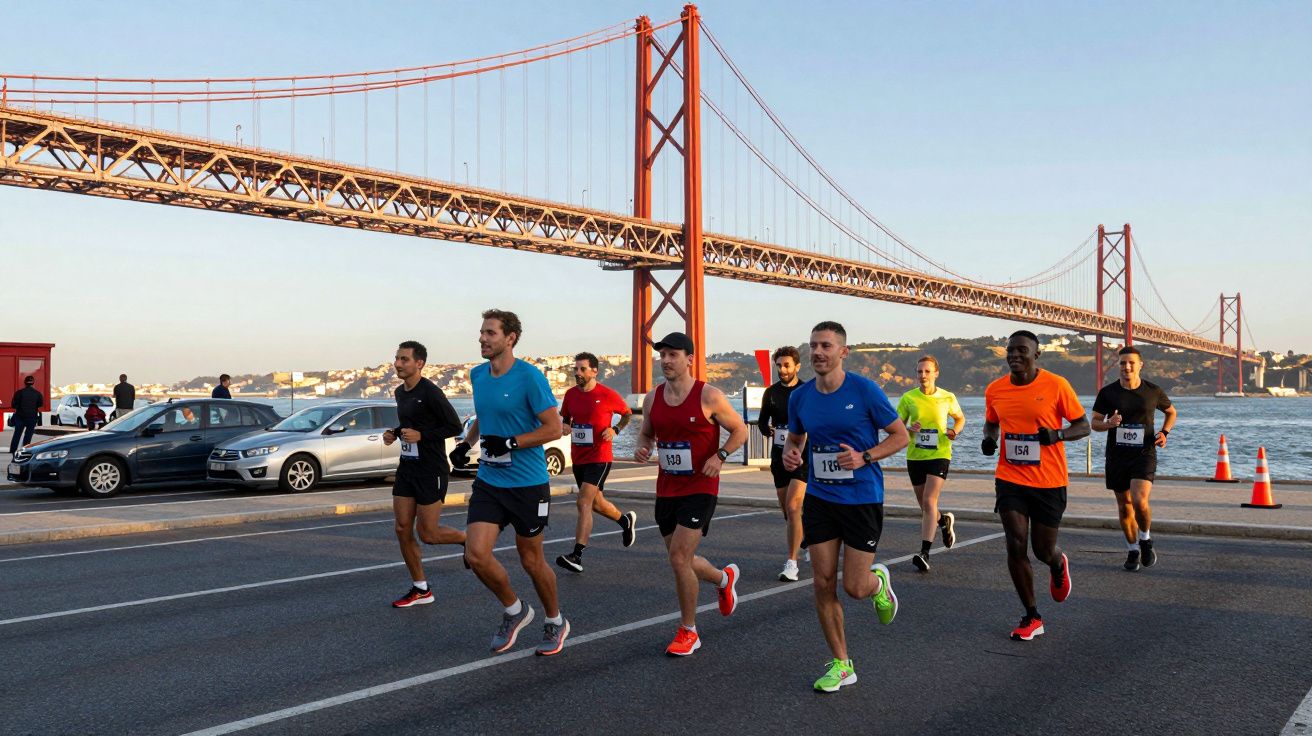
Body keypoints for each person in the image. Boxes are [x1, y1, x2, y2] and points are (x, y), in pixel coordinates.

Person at [782, 321, 908, 692]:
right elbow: (796, 436)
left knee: (854, 586)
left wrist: (865, 455)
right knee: (822, 583)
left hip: (862, 498)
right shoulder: (800, 397)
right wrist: (792, 454)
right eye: (813, 346)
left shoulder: (865, 390)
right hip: (820, 499)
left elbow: (900, 435)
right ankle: (842, 664)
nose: (818, 352)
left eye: (826, 346)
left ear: (843, 352)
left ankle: (878, 583)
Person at [448, 309, 569, 656]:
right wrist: (465, 444)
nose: (483, 339)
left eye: (490, 333)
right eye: (481, 332)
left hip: (528, 483)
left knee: (531, 561)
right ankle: (515, 610)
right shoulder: (478, 375)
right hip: (489, 480)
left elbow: (553, 428)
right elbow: (485, 418)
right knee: (476, 554)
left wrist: (512, 442)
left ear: (510, 338)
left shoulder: (530, 378)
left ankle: (555, 620)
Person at [635, 331, 748, 657]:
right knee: (681, 560)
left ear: (689, 359)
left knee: (679, 558)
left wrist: (721, 455)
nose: (667, 360)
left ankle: (689, 631)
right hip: (667, 488)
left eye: (673, 355)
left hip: (700, 487)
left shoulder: (709, 396)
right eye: (663, 355)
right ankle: (723, 579)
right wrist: (644, 449)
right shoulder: (652, 398)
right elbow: (646, 435)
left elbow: (739, 430)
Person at [982, 330, 1090, 642]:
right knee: (1015, 543)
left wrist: (1057, 435)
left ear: (1036, 354)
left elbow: (1082, 426)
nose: (1014, 356)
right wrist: (989, 439)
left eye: (1021, 351)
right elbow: (992, 421)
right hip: (1010, 479)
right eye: (1009, 351)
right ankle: (1032, 616)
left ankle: (1058, 563)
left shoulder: (1057, 385)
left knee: (1043, 550)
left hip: (1049, 481)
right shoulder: (995, 389)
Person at [383, 341, 468, 608]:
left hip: (432, 469)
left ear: (419, 363)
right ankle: (421, 588)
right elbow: (411, 424)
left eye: (404, 359)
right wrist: (395, 433)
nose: (398, 363)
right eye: (397, 358)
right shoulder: (400, 393)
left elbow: (454, 426)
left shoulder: (431, 392)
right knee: (401, 528)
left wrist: (422, 436)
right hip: (407, 467)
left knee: (429, 534)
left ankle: (468, 540)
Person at [1091, 346, 1177, 571]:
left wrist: (1164, 433)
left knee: (1139, 500)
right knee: (1124, 506)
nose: (1126, 366)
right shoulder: (1108, 393)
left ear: (1140, 365)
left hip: (1144, 453)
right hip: (1117, 456)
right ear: (1118, 366)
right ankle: (1132, 549)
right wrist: (1108, 424)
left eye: (1131, 362)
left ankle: (1146, 539)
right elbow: (1094, 423)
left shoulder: (1153, 391)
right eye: (1122, 363)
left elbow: (1171, 412)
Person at [555, 351, 637, 574]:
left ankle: (577, 555)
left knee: (583, 502)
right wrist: (564, 427)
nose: (577, 373)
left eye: (582, 369)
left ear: (594, 371)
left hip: (600, 457)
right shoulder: (571, 395)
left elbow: (627, 414)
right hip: (579, 457)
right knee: (596, 503)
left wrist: (615, 429)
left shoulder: (607, 394)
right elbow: (565, 420)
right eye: (576, 369)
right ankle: (625, 521)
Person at [896, 355, 965, 572]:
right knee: (925, 506)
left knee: (929, 500)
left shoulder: (947, 397)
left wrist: (955, 431)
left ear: (936, 373)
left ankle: (924, 552)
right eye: (919, 372)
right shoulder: (908, 398)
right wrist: (909, 429)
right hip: (915, 456)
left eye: (927, 371)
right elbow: (897, 426)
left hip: (940, 453)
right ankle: (944, 522)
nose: (922, 375)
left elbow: (960, 418)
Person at [756, 345, 809, 582]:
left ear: (797, 366)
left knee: (794, 507)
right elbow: (761, 422)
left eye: (787, 365)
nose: (782, 369)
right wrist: (769, 431)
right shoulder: (771, 392)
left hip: (802, 456)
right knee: (787, 511)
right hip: (778, 456)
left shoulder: (808, 390)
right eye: (779, 365)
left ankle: (791, 564)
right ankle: (805, 537)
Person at [8, 376, 43, 454]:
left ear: (25, 382)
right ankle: (25, 450)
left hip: (20, 417)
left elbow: (13, 405)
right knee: (28, 435)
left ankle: (13, 450)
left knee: (17, 434)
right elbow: (40, 404)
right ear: (33, 383)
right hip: (32, 417)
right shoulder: (37, 393)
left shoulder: (19, 393)